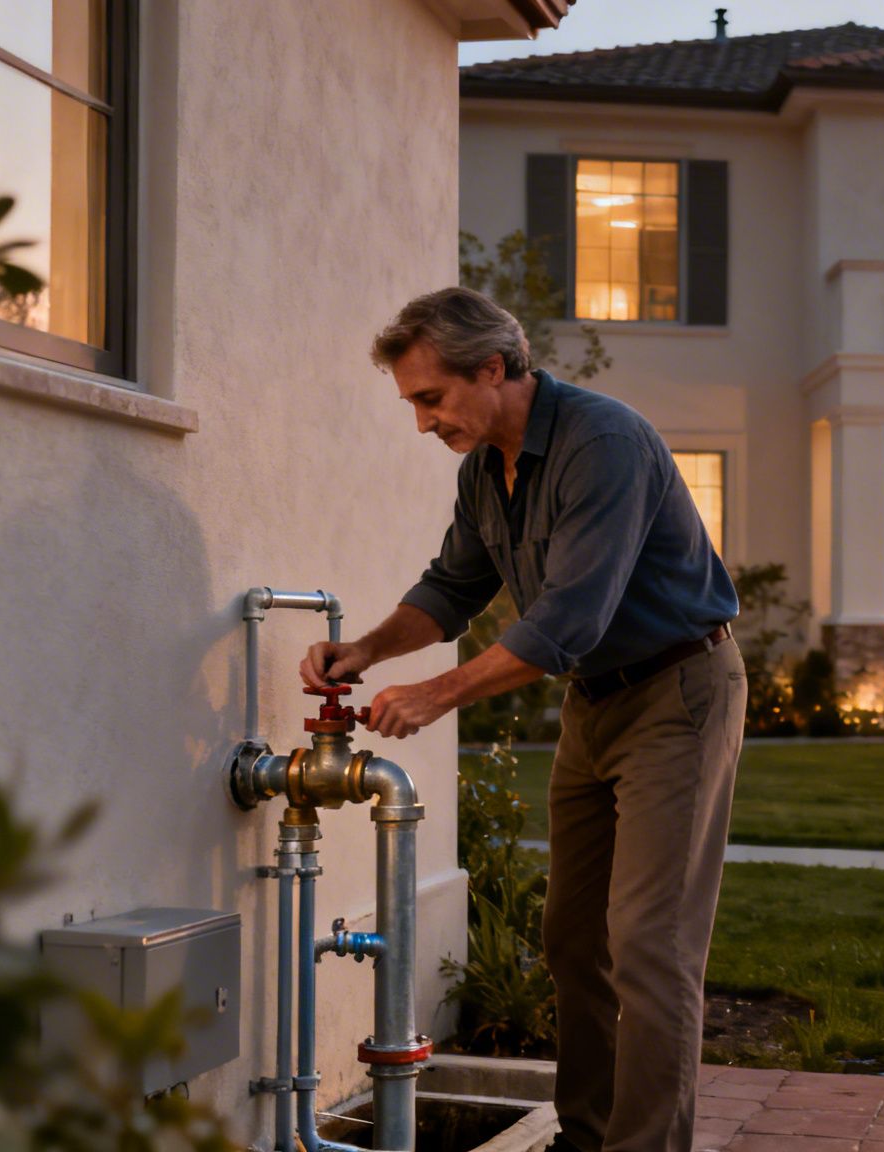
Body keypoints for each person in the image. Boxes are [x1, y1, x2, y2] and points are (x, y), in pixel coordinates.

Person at [299, 287, 744, 1152]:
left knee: (651, 946)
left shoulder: (603, 443)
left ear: (493, 368)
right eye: (413, 404)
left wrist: (435, 695)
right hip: (597, 702)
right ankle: (584, 1137)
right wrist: (365, 653)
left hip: (677, 694)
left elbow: (566, 619)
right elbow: (450, 590)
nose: (423, 423)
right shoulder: (484, 471)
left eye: (432, 398)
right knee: (574, 939)